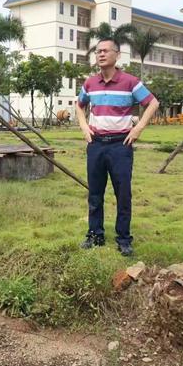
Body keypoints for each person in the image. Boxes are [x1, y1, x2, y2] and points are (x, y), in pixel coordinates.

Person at [76, 39, 159, 256]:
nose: (101, 54)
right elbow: (79, 105)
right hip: (96, 144)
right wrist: (84, 126)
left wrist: (138, 128)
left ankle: (124, 238)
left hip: (120, 145)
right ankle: (95, 235)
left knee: (123, 193)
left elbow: (153, 103)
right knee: (95, 193)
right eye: (98, 51)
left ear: (117, 55)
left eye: (105, 51)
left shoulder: (130, 82)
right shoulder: (90, 83)